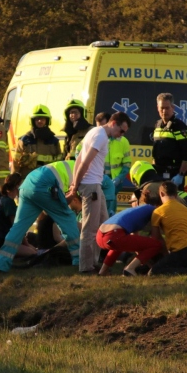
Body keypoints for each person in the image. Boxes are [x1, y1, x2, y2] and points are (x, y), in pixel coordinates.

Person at [67, 112, 132, 274]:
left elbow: (79, 158)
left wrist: (76, 182)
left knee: (104, 224)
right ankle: (86, 267)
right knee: (90, 228)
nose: (121, 135)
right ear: (113, 123)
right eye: (121, 131)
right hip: (91, 187)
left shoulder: (94, 132)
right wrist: (75, 187)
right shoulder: (101, 136)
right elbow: (85, 162)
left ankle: (95, 261)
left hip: (95, 185)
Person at [0, 160, 82, 272]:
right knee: (68, 219)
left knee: (18, 227)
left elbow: (61, 200)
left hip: (27, 186)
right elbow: (62, 204)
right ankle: (78, 260)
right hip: (43, 186)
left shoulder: (69, 165)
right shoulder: (84, 171)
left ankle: (2, 263)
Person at [97, 182, 164, 277]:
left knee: (120, 245)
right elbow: (156, 237)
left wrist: (151, 266)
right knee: (157, 244)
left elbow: (136, 246)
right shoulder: (152, 209)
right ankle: (130, 269)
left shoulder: (136, 212)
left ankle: (103, 271)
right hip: (114, 235)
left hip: (100, 236)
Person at [148, 181, 187, 277]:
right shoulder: (185, 208)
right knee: (180, 261)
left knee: (154, 272)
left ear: (161, 194)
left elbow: (155, 238)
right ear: (176, 195)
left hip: (183, 251)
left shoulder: (158, 212)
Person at [151, 93, 187, 188]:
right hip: (159, 173)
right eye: (162, 108)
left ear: (173, 107)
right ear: (158, 107)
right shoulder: (157, 125)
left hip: (174, 175)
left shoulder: (179, 126)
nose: (164, 111)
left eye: (167, 108)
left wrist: (180, 175)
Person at [0, 173, 36, 261]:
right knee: (33, 253)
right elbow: (16, 228)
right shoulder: (8, 203)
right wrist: (26, 244)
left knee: (33, 250)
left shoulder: (4, 200)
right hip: (1, 244)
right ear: (17, 186)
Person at [13, 104, 62, 179]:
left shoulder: (54, 141)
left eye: (42, 119)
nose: (40, 121)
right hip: (28, 180)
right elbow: (16, 162)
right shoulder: (25, 140)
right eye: (37, 119)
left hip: (47, 179)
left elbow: (59, 162)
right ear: (33, 121)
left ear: (47, 121)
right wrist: (14, 179)